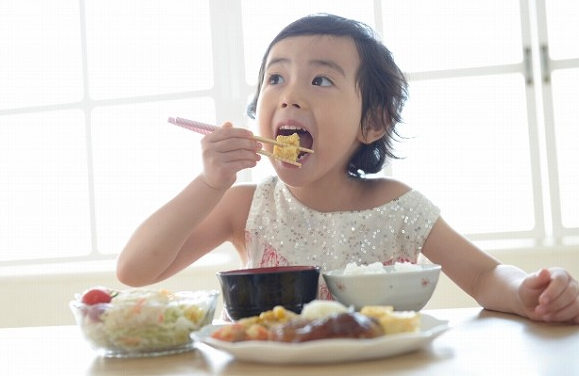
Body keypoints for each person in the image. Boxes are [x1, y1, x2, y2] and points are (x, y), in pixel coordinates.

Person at [117, 13, 579, 324]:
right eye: (275, 78)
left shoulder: (398, 206)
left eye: (321, 79)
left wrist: (529, 291)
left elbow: (483, 276)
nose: (289, 95)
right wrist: (208, 183)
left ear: (373, 122)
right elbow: (135, 270)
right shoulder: (244, 206)